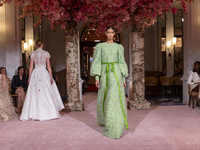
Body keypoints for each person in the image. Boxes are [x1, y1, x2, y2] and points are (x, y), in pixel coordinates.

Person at [90, 26, 129, 139]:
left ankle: (115, 124)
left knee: (114, 98)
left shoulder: (119, 47)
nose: (110, 34)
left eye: (112, 32)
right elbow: (97, 62)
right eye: (108, 32)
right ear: (105, 33)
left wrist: (123, 79)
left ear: (115, 34)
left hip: (116, 73)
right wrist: (97, 77)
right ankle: (105, 120)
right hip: (104, 73)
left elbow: (122, 62)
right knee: (105, 97)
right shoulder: (100, 46)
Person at [20, 39, 64, 121]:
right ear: (42, 45)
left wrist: (29, 77)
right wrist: (51, 77)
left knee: (34, 92)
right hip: (44, 73)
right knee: (46, 91)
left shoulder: (33, 53)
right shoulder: (46, 53)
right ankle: (49, 112)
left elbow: (30, 67)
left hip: (35, 73)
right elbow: (49, 66)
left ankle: (33, 113)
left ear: (36, 45)